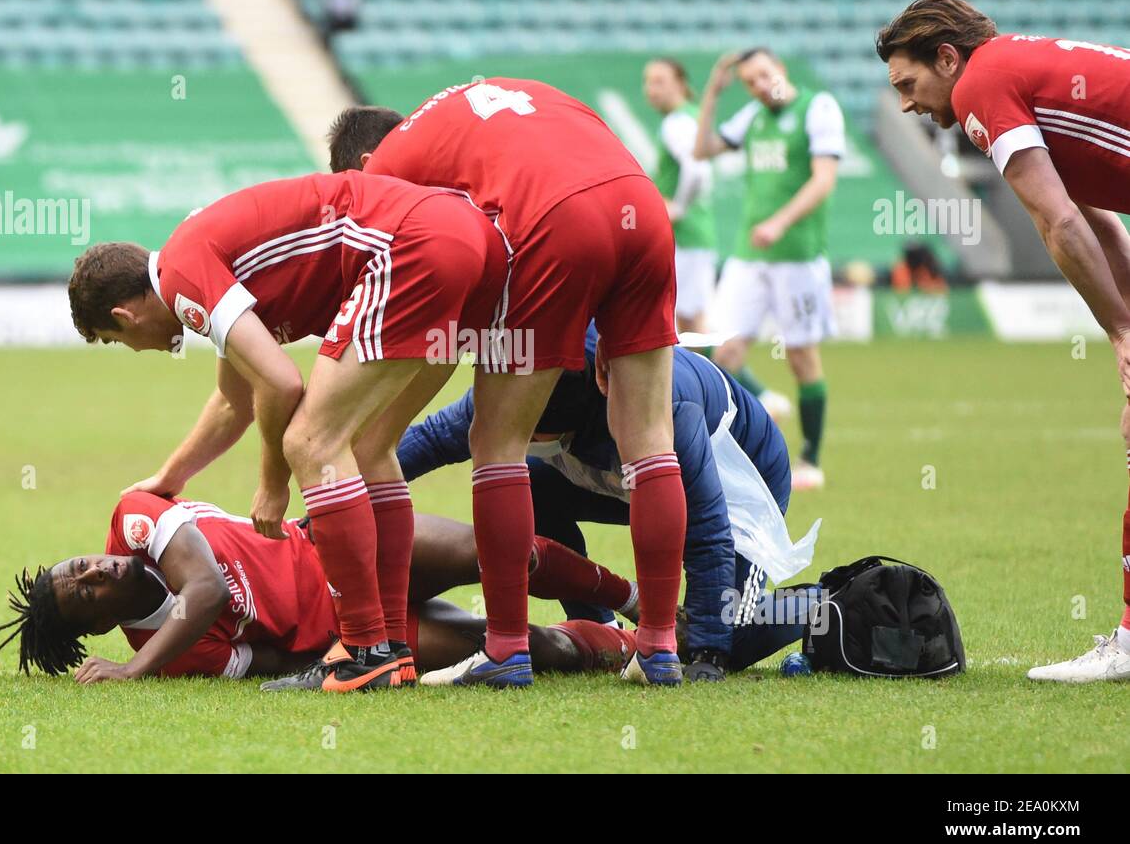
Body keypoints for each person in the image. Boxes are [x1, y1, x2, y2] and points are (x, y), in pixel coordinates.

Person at [66, 170, 507, 691]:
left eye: (115, 340)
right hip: (473, 240)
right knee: (370, 445)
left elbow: (279, 383)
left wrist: (273, 483)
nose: (135, 349)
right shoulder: (195, 253)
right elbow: (238, 399)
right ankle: (395, 643)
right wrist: (170, 475)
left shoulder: (184, 280)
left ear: (125, 316)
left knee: (310, 443)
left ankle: (367, 651)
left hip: (412, 247)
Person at [327, 79, 688, 687]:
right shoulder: (501, 100)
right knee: (651, 438)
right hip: (642, 209)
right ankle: (658, 647)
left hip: (556, 221)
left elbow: (415, 273)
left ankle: (506, 650)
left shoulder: (385, 171)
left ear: (364, 165)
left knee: (495, 439)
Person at [876, 0, 1130, 682]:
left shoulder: (986, 84)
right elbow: (1094, 218)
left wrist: (1120, 331)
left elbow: (1059, 228)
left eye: (909, 83)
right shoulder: (1019, 72)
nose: (906, 104)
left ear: (948, 59)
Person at [399, 324, 821, 682]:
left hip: (741, 482)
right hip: (627, 471)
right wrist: (346, 493)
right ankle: (601, 628)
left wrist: (709, 655)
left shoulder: (661, 409)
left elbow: (707, 526)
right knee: (529, 487)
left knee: (732, 637)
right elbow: (430, 440)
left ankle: (823, 603)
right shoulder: (520, 386)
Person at [0, 492, 640, 685]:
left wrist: (134, 670)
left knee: (501, 553)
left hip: (338, 547)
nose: (96, 572)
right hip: (360, 632)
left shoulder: (131, 517)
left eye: (79, 566)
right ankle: (632, 641)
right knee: (534, 645)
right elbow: (270, 660)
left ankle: (643, 604)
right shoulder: (178, 654)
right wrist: (331, 650)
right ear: (97, 627)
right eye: (85, 595)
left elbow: (208, 589)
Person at [694, 48, 845, 491]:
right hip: (748, 256)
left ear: (780, 68)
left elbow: (823, 180)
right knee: (721, 353)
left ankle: (811, 459)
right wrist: (712, 93)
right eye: (749, 82)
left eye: (763, 76)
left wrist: (780, 222)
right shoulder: (751, 117)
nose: (759, 86)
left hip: (798, 257)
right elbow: (701, 150)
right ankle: (737, 443)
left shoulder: (817, 108)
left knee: (801, 357)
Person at [642, 58, 718, 333]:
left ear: (680, 85)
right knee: (689, 321)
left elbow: (696, 169)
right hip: (692, 232)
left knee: (690, 323)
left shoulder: (678, 122)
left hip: (685, 233)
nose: (651, 89)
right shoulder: (691, 116)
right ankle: (721, 375)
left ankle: (719, 377)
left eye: (659, 82)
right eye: (648, 82)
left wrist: (678, 207)